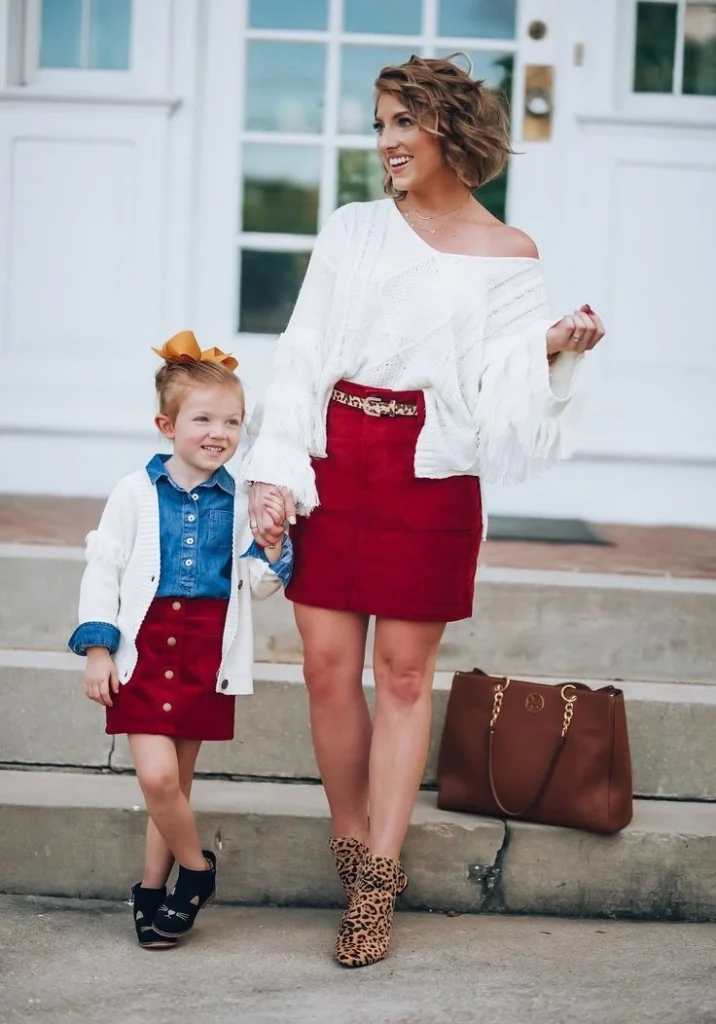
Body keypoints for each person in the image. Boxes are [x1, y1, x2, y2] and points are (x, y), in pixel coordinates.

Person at [244, 55, 605, 969]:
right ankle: (352, 844)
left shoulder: (509, 252)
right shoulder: (353, 230)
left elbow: (501, 397)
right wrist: (276, 469)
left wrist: (553, 349)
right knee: (330, 670)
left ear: (446, 126)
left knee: (402, 678)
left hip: (429, 474)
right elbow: (301, 353)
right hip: (336, 453)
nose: (387, 143)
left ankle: (378, 881)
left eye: (401, 123)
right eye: (379, 126)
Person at [68, 331, 292, 950]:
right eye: (203, 419)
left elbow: (256, 586)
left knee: (177, 788)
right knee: (159, 780)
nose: (219, 433)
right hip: (145, 647)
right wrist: (97, 649)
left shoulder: (242, 501)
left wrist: (271, 548)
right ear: (167, 425)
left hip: (205, 651)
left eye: (233, 421)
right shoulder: (135, 492)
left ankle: (151, 891)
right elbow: (105, 568)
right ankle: (197, 874)